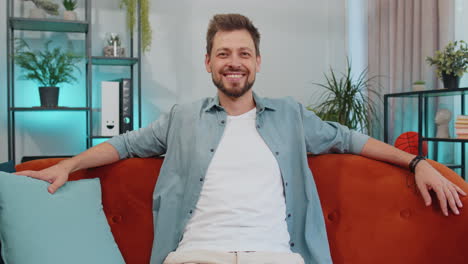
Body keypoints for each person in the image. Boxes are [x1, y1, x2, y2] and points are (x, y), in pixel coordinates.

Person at [16, 14, 466, 264]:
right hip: (195, 257)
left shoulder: (290, 116)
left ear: (257, 62)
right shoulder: (181, 118)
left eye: (244, 53)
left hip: (275, 258)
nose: (235, 62)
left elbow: (350, 140)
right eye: (224, 54)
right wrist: (69, 164)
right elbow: (124, 145)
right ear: (208, 62)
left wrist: (416, 163)